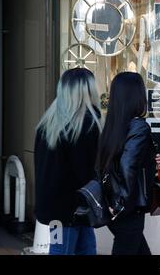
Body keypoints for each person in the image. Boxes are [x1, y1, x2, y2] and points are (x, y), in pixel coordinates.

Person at [34, 68, 102, 255]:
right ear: (88, 90)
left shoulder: (48, 123)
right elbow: (86, 171)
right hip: (77, 208)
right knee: (81, 250)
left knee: (61, 248)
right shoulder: (87, 124)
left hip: (55, 211)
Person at [96, 72, 156, 255]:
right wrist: (120, 205)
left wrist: (150, 160)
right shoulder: (139, 126)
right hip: (127, 208)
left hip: (114, 205)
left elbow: (113, 161)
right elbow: (127, 166)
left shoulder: (113, 125)